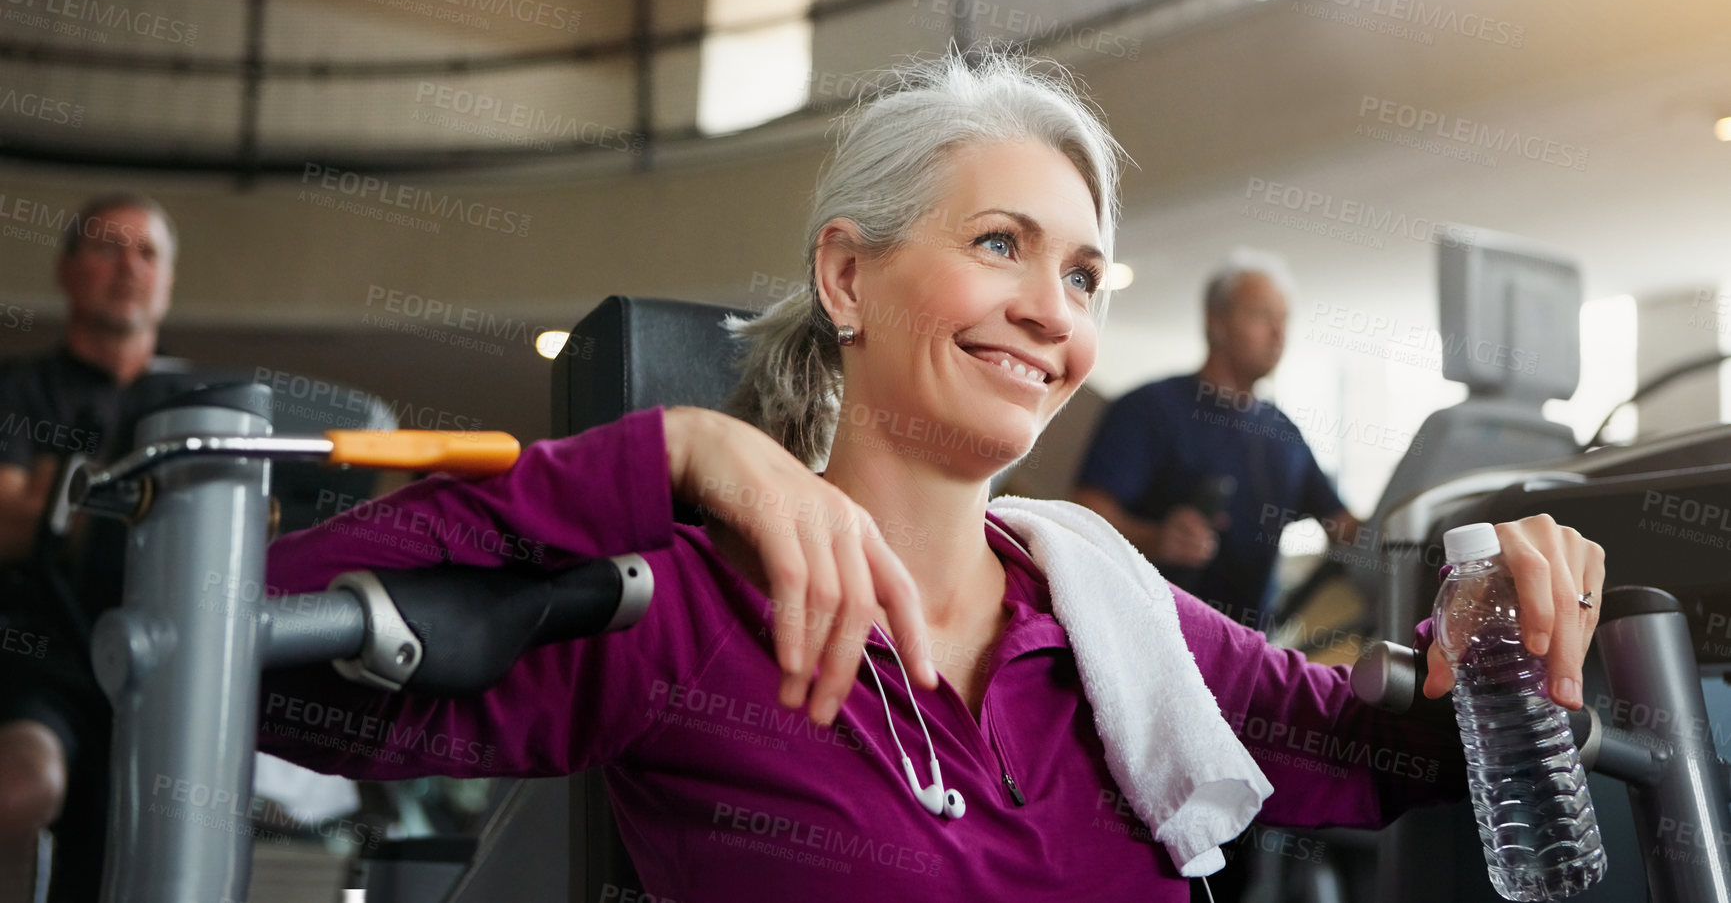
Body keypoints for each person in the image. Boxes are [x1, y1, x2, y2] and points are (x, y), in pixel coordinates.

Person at [257, 52, 1605, 901]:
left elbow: (1399, 759)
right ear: (846, 275)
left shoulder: (1104, 615)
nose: (1048, 308)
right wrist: (675, 449)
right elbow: (251, 651)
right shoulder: (673, 609)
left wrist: (1480, 639)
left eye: (1079, 274)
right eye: (1000, 243)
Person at [0, 194, 181, 903]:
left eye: (148, 253)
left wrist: (56, 495)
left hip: (166, 667)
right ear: (67, 270)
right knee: (23, 786)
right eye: (108, 248)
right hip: (35, 659)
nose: (128, 268)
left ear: (167, 280)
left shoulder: (200, 402)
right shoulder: (17, 389)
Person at [1073, 251, 1359, 627]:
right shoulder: (1151, 409)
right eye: (1261, 316)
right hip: (1151, 636)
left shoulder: (1282, 431)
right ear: (1217, 325)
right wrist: (1156, 538)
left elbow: (1342, 526)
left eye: (1283, 319)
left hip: (1246, 650)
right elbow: (1085, 512)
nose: (1278, 334)